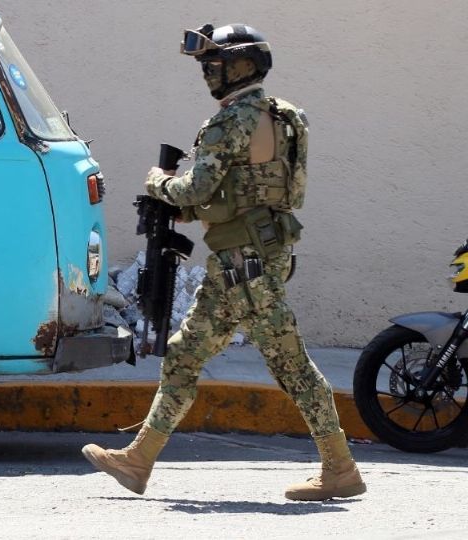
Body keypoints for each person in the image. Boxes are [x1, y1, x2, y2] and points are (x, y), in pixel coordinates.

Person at [82, 24, 366, 501]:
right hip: (257, 257)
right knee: (185, 356)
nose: (208, 74)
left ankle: (340, 467)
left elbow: (195, 189)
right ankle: (138, 461)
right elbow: (268, 191)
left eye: (214, 65)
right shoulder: (286, 117)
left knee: (291, 365)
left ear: (240, 66)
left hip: (243, 265)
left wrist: (159, 182)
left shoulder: (230, 121)